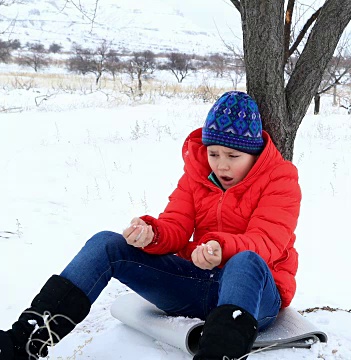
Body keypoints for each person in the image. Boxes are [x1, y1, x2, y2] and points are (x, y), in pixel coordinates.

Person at [0, 91, 302, 360]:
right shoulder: (197, 177)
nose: (221, 165)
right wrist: (150, 233)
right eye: (213, 154)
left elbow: (268, 243)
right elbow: (176, 225)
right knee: (106, 243)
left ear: (254, 152)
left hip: (253, 296)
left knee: (245, 260)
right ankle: (22, 344)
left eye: (233, 156)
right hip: (197, 284)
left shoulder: (280, 180)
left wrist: (221, 248)